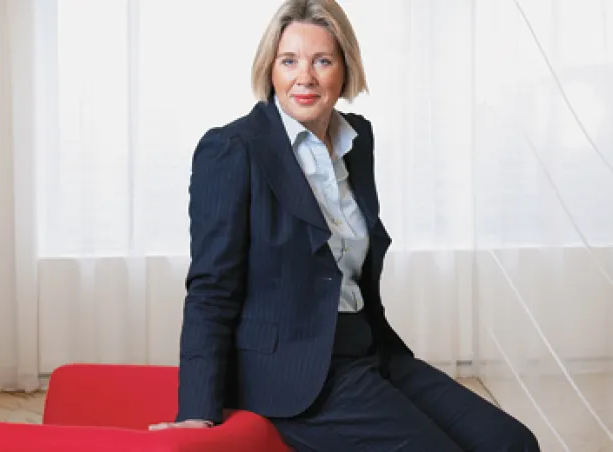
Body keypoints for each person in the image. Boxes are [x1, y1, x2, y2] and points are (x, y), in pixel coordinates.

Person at [149, 1, 541, 450]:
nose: (305, 77)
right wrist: (196, 412)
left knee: (512, 442)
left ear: (345, 68)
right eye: (289, 61)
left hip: (368, 349)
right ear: (269, 68)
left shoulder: (356, 140)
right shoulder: (233, 148)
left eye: (322, 61)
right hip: (292, 375)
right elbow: (211, 289)